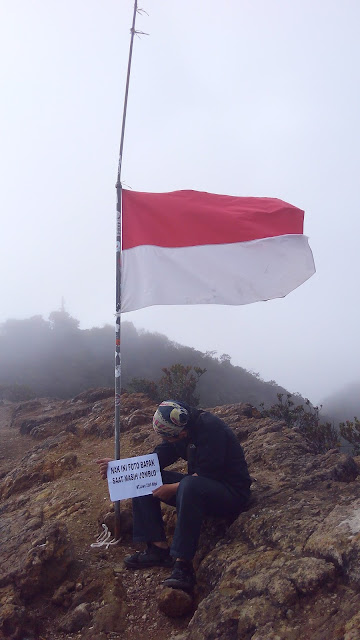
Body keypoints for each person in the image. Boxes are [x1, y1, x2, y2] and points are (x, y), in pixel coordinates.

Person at [96, 399, 251, 591]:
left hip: (231, 494)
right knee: (145, 478)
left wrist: (172, 488)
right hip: (201, 486)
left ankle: (183, 566)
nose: (168, 442)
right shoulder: (180, 428)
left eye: (170, 439)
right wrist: (120, 469)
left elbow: (209, 474)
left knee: (189, 486)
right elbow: (154, 462)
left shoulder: (211, 429)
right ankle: (157, 548)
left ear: (182, 433)